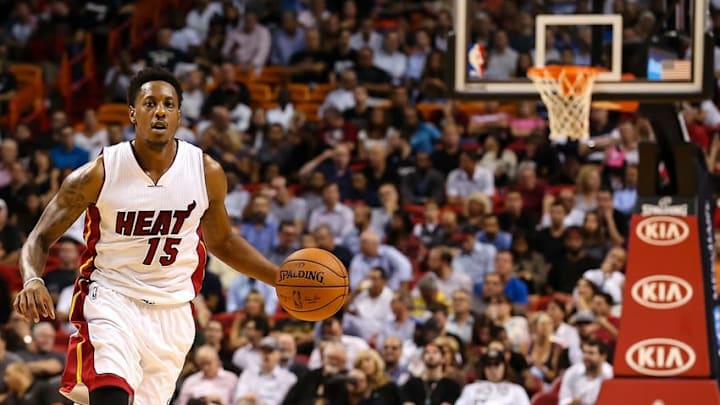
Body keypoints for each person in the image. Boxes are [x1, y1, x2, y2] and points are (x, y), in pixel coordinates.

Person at [13, 67, 280, 405]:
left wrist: (279, 279)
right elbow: (38, 237)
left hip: (173, 311)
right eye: (150, 103)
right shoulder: (99, 173)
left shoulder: (205, 172)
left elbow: (223, 242)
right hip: (112, 298)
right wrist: (32, 278)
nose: (160, 111)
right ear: (132, 113)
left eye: (169, 104)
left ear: (179, 116)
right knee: (110, 392)